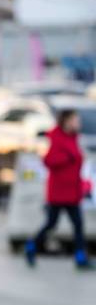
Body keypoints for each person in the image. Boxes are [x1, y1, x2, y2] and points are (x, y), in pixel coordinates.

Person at [25, 109, 90, 268]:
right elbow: (49, 161)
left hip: (72, 191)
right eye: (75, 120)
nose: (78, 123)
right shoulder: (57, 138)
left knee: (78, 224)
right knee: (51, 223)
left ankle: (80, 256)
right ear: (67, 121)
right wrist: (68, 157)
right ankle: (32, 245)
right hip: (59, 192)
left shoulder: (73, 138)